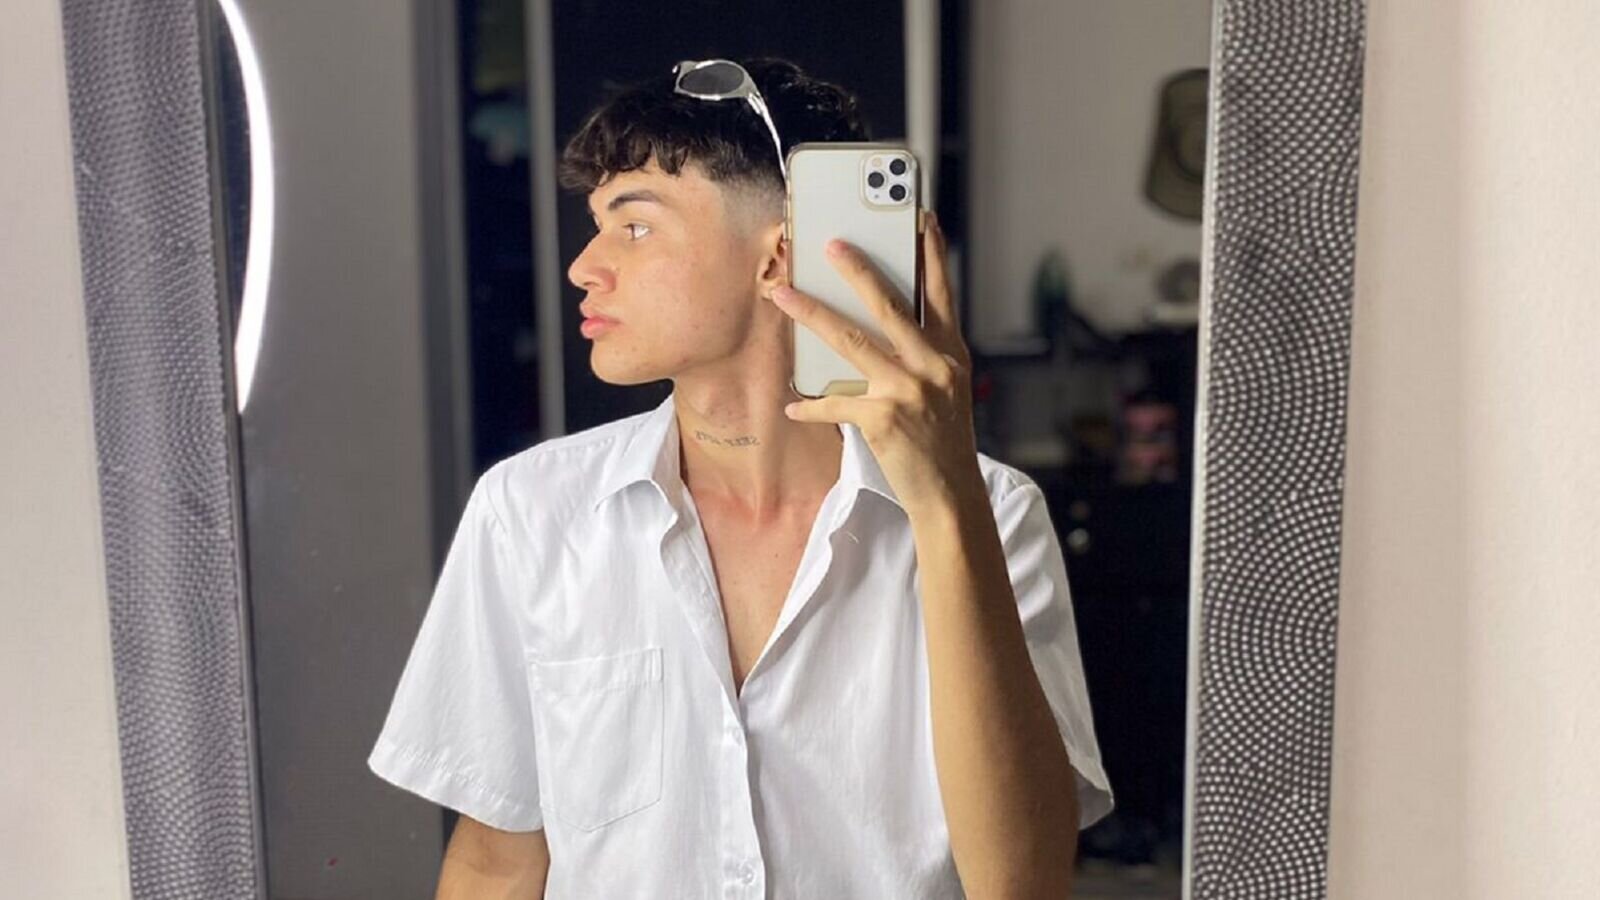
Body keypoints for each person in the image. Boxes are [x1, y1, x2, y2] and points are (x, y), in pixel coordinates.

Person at [367, 56, 1112, 899]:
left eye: (633, 226)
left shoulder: (994, 513)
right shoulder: (532, 512)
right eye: (596, 225)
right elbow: (497, 862)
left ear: (778, 257)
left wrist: (944, 507)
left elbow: (1022, 881)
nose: (584, 266)